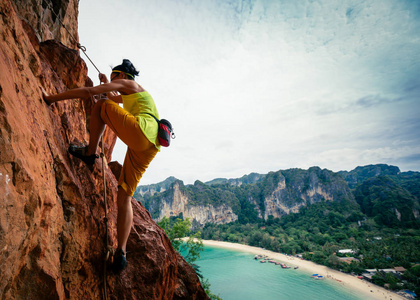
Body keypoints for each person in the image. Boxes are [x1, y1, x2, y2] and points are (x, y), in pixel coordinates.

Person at [43, 59, 160, 273]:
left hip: (140, 130)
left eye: (113, 77)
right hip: (150, 144)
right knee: (124, 195)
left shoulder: (130, 85)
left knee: (99, 105)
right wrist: (107, 82)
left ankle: (90, 153)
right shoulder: (135, 93)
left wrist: (51, 98)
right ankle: (121, 253)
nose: (113, 81)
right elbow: (114, 100)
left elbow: (93, 93)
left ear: (121, 76)